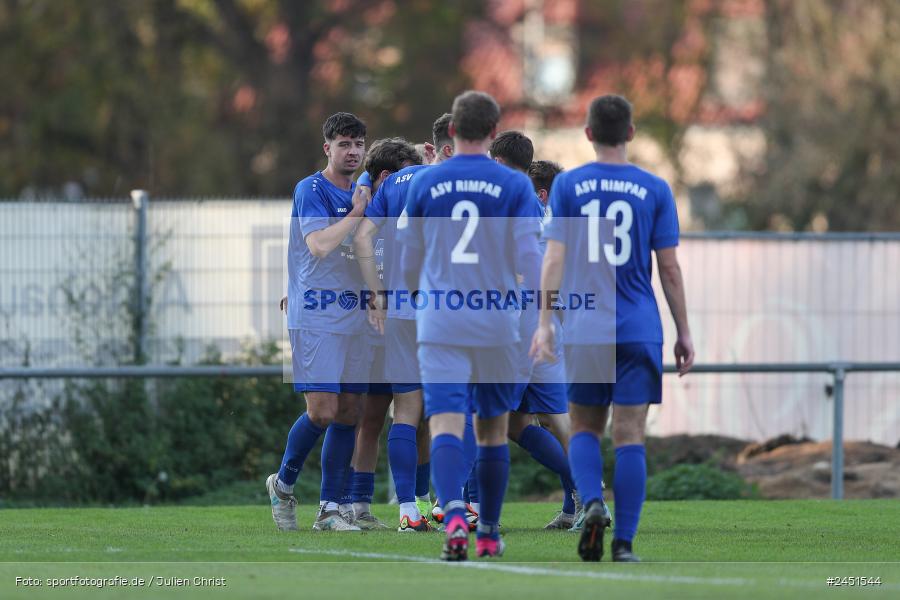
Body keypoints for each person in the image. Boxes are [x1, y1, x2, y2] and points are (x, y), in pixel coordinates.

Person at [531, 94, 694, 562]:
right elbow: (669, 269)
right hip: (638, 326)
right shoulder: (655, 188)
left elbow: (553, 259)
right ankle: (624, 544)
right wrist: (684, 331)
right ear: (631, 133)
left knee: (584, 427)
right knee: (630, 435)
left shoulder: (568, 185)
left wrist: (544, 323)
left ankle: (592, 502)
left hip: (586, 326)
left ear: (588, 134)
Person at [399, 91, 543, 560]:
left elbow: (408, 264)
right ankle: (489, 532)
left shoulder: (425, 181)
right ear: (494, 132)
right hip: (496, 322)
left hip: (441, 320)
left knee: (443, 423)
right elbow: (530, 261)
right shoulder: (515, 185)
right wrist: (543, 320)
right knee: (492, 429)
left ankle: (455, 521)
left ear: (452, 131)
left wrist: (425, 299)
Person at [266, 112, 371, 532]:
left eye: (358, 144)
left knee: (350, 412)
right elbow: (319, 246)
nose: (353, 151)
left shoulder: (364, 188)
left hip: (355, 313)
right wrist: (356, 213)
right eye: (344, 144)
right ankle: (283, 485)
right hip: (317, 315)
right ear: (327, 148)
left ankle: (330, 508)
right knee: (323, 411)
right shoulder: (311, 189)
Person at [490, 133, 584, 530]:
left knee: (489, 417)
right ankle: (584, 500)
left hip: (516, 326)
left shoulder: (514, 204)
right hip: (548, 327)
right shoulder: (555, 220)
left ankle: (473, 509)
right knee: (548, 420)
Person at [350, 137, 428, 531]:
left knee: (408, 413)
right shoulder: (435, 179)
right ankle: (460, 505)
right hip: (435, 312)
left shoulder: (385, 194)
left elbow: (361, 237)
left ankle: (411, 507)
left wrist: (378, 294)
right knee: (451, 410)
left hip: (396, 313)